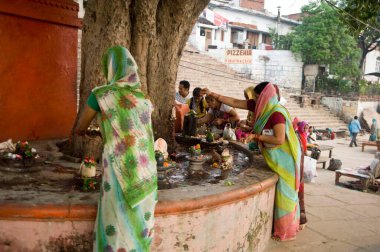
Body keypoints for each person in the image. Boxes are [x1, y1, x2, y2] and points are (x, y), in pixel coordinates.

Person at [75, 46, 157, 252]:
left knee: (114, 217)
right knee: (139, 222)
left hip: (117, 166)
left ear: (110, 69)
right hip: (146, 169)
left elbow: (80, 127)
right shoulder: (144, 98)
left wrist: (93, 130)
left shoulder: (101, 95)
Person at [201, 82, 301, 241]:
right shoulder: (260, 106)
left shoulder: (276, 114)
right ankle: (280, 227)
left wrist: (256, 136)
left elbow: (279, 139)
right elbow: (234, 102)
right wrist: (213, 94)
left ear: (264, 97)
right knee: (280, 192)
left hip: (285, 158)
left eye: (256, 96)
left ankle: (286, 231)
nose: (253, 100)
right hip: (274, 156)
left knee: (286, 194)